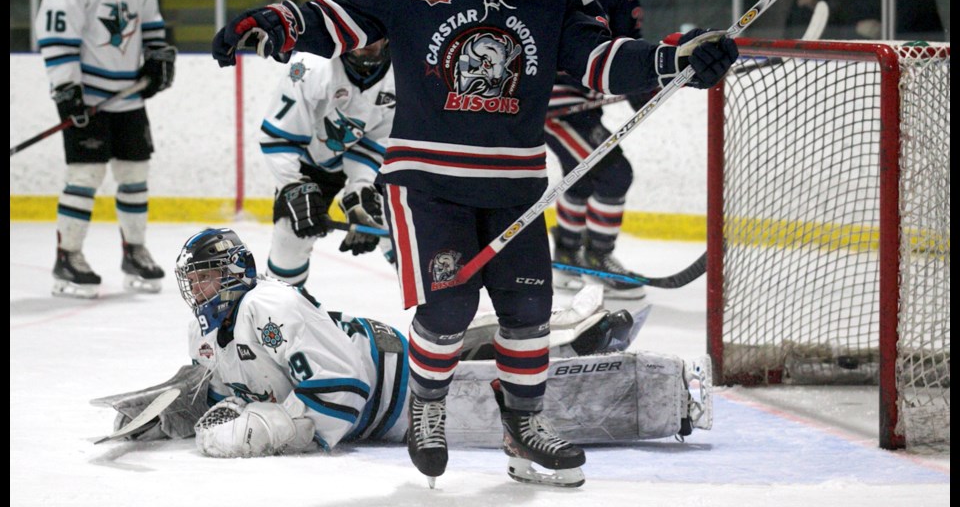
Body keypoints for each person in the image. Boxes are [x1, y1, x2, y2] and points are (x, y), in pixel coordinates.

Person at [212, 0, 738, 488]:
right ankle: (428, 402)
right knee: (450, 308)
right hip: (429, 183)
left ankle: (524, 431)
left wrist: (674, 58)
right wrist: (277, 21)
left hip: (514, 184)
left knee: (528, 311)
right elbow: (339, 18)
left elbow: (600, 60)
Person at [98, 227, 711, 466]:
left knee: (535, 401)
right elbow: (228, 384)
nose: (195, 289)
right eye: (192, 279)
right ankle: (577, 330)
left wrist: (270, 429)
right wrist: (170, 408)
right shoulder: (207, 330)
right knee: (490, 349)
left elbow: (344, 395)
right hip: (382, 356)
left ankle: (674, 387)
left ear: (232, 274)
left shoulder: (267, 305)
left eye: (204, 276)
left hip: (393, 390)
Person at [35, 0, 176, 299]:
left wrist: (157, 57)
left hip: (128, 95)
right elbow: (57, 37)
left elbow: (150, 18)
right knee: (86, 175)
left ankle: (134, 251)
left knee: (135, 175)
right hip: (90, 93)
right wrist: (66, 90)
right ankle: (68, 255)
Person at [547, 0, 649, 299]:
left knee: (582, 174)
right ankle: (598, 257)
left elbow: (629, 47)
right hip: (552, 109)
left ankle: (567, 254)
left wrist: (640, 81)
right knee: (614, 173)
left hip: (587, 106)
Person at [259, 39, 395, 290]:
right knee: (290, 239)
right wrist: (292, 185)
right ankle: (275, 310)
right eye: (359, 31)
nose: (366, 40)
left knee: (397, 229)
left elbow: (379, 142)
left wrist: (362, 189)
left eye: (374, 33)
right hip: (309, 166)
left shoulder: (403, 71)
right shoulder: (310, 65)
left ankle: (436, 309)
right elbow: (280, 137)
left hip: (374, 165)